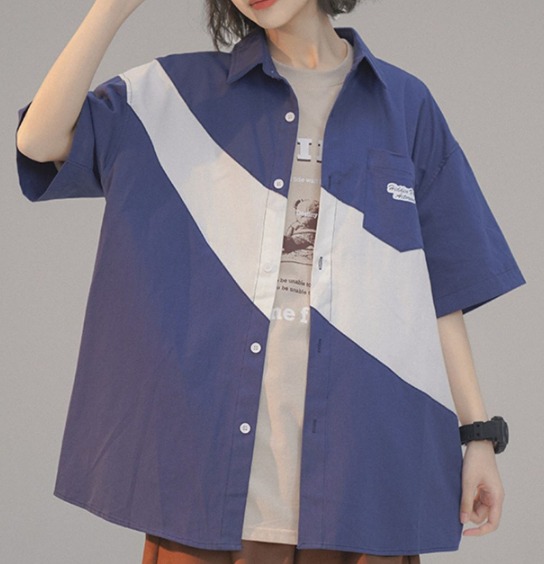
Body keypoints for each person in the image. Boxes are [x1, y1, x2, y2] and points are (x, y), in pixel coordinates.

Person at [15, 0, 526, 563]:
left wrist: (479, 436)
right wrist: (112, 7)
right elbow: (39, 141)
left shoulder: (405, 107)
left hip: (362, 479)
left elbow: (440, 289)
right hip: (206, 486)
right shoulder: (175, 95)